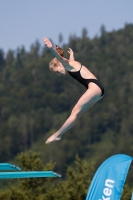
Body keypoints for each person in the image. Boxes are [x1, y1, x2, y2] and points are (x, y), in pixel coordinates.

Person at [43, 37, 104, 144]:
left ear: (59, 64)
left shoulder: (67, 64)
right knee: (77, 114)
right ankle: (59, 134)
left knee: (74, 112)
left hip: (94, 88)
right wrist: (71, 56)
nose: (58, 74)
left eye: (57, 71)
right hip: (99, 91)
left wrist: (51, 48)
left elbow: (61, 58)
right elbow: (71, 61)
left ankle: (57, 134)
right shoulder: (71, 63)